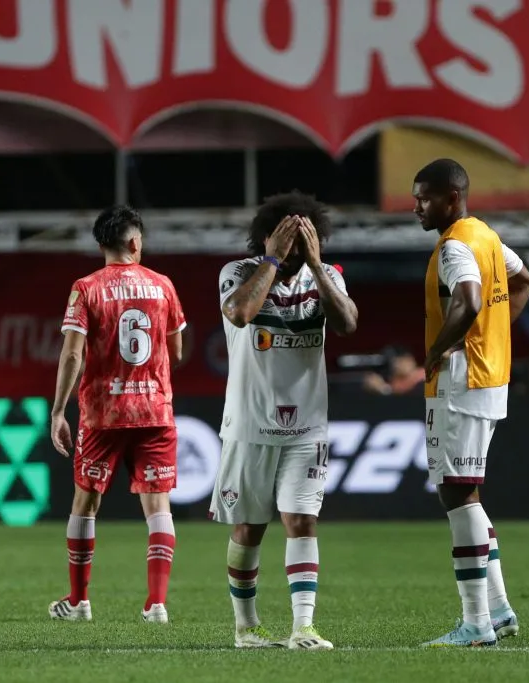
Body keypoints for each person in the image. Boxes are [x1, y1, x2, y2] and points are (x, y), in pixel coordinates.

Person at [212, 191, 358, 650]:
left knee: (302, 521)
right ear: (265, 238)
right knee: (250, 528)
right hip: (249, 423)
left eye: (303, 242)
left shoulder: (326, 275)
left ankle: (303, 627)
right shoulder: (237, 273)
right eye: (286, 242)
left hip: (307, 426)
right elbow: (239, 313)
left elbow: (348, 323)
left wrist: (316, 266)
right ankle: (246, 627)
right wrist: (272, 260)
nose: (295, 251)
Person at [412, 159, 529, 647]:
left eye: (424, 198)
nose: (417, 207)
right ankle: (500, 611)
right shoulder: (486, 236)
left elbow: (466, 300)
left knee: (455, 492)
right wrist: (496, 335)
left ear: (452, 198)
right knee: (468, 493)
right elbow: (525, 281)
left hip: (461, 380)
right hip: (491, 376)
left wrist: (438, 350)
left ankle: (476, 623)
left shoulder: (456, 245)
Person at [46, 205, 185, 623]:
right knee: (158, 508)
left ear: (101, 243)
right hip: (155, 411)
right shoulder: (163, 286)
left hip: (103, 413)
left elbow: (72, 353)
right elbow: (175, 352)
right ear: (135, 242)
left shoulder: (85, 288)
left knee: (85, 505)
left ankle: (78, 601)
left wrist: (58, 410)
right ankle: (157, 604)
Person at [361, 346, 425, 396]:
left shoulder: (424, 375)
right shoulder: (396, 382)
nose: (397, 365)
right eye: (395, 362)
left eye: (401, 361)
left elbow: (412, 396)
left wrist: (383, 388)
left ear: (410, 359)